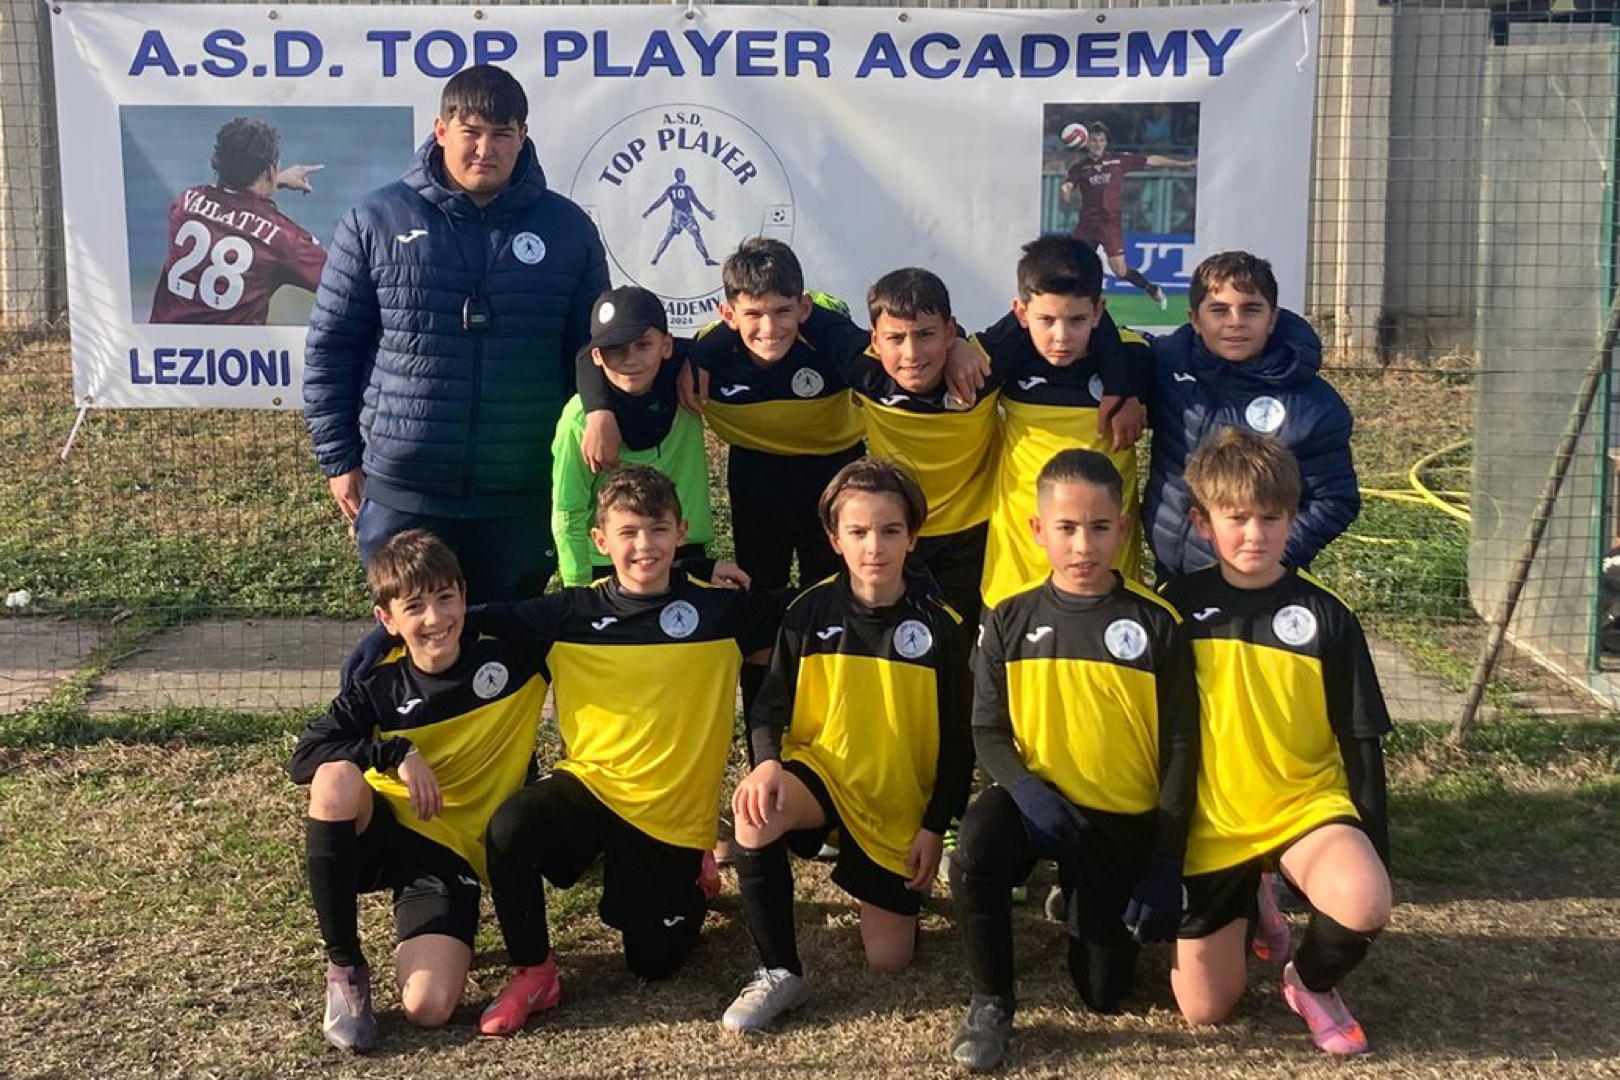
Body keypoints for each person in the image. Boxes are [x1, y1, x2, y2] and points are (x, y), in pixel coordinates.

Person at [471, 466, 784, 1036]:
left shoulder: (721, 612)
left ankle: (692, 867)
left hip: (670, 817)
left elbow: (807, 607)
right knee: (512, 827)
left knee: (653, 964)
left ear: (681, 532)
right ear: (600, 541)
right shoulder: (568, 614)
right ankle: (534, 972)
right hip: (592, 787)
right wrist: (378, 644)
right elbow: (464, 620)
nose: (645, 545)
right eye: (629, 532)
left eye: (658, 529)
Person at [303, 63, 609, 603]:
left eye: (501, 134)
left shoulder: (567, 228)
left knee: (506, 644)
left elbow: (591, 351)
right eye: (471, 132)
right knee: (415, 639)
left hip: (519, 489)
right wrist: (339, 459)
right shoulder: (375, 219)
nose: (484, 149)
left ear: (523, 137)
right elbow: (332, 347)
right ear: (441, 130)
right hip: (404, 489)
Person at [946, 449, 1198, 1072]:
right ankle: (991, 1001)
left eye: (1099, 527)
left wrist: (1166, 861)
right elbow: (986, 730)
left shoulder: (1157, 622)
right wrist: (1027, 792)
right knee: (977, 844)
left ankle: (1081, 891)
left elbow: (1180, 749)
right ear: (1038, 530)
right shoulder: (1008, 619)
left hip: (1118, 817)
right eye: (1066, 528)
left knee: (1103, 994)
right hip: (1041, 806)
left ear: (1123, 529)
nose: (1083, 545)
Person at [720, 457, 973, 1033]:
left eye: (889, 530)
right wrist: (766, 765)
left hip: (894, 802)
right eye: (857, 532)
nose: (873, 547)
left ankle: (880, 881)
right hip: (823, 774)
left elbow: (960, 745)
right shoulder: (807, 612)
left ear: (912, 537)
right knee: (755, 814)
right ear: (835, 539)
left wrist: (934, 826)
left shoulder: (942, 626)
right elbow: (768, 707)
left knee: (889, 961)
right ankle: (779, 971)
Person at [1161, 428, 1392, 1056]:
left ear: (1293, 517)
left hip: (1303, 808)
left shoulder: (1328, 615)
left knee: (1364, 899)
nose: (1254, 534)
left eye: (1270, 517)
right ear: (1202, 522)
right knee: (1205, 1012)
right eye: (1236, 518)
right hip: (1212, 823)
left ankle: (1310, 983)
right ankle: (1251, 890)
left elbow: (1361, 740)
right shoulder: (1174, 608)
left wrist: (1376, 846)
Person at [288, 529, 549, 1053]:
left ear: (464, 597)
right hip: (381, 834)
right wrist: (394, 752)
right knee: (334, 778)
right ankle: (344, 967)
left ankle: (433, 927)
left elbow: (600, 610)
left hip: (446, 859)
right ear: (387, 620)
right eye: (414, 607)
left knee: (429, 1008)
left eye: (445, 598)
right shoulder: (378, 682)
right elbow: (304, 757)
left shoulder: (515, 658)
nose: (435, 619)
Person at [1141, 251, 1360, 581]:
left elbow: (1334, 499)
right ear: (1195, 320)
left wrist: (1269, 558)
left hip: (1256, 581)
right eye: (1219, 310)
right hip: (1171, 571)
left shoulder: (1312, 406)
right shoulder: (1167, 364)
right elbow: (1107, 343)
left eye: (1251, 309)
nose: (1236, 322)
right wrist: (1120, 389)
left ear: (1272, 319)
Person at [977, 236, 1151, 610]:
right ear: (1022, 313)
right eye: (1047, 320)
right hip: (1018, 560)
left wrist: (1127, 389)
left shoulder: (1134, 359)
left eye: (1077, 320)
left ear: (1098, 312)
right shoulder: (1007, 358)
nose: (1061, 336)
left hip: (1103, 560)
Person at [551, 286, 713, 585]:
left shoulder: (688, 389)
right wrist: (578, 590)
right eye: (616, 349)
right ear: (596, 356)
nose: (630, 359)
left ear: (666, 346)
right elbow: (568, 511)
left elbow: (742, 330)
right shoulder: (579, 419)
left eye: (643, 345)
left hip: (684, 552)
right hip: (610, 562)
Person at [149, 116, 325, 325]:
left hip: (161, 343)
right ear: (270, 170)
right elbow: (341, 281)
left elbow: (231, 207)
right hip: (229, 347)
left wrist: (274, 180)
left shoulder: (185, 203)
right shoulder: (283, 239)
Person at [1059, 121, 1194, 308]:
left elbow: (1151, 160)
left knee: (1120, 271)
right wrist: (1065, 191)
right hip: (1087, 225)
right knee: (1074, 266)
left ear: (1106, 143)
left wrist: (1183, 164)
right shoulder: (1079, 168)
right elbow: (1068, 185)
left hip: (1109, 225)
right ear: (1087, 142)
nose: (1098, 144)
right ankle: (1082, 303)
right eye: (1094, 140)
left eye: (1101, 140)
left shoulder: (1118, 161)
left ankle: (1151, 289)